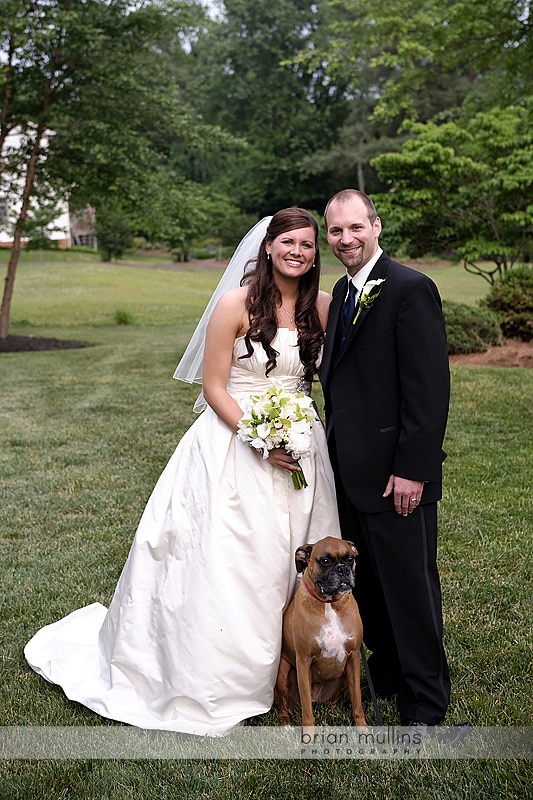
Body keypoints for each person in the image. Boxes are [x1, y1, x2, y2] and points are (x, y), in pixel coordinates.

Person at [25, 208, 342, 736]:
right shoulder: (235, 304)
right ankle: (229, 679)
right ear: (267, 247)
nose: (298, 252)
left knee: (297, 559)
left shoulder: (324, 307)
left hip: (303, 444)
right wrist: (260, 440)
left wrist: (299, 433)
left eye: (308, 245)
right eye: (289, 242)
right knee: (233, 562)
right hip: (237, 443)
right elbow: (214, 387)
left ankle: (302, 671)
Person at [320, 189, 451, 728]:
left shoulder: (410, 289)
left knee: (410, 589)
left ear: (376, 225)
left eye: (356, 227)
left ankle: (425, 699)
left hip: (397, 476)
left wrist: (412, 470)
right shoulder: (342, 294)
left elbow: (428, 389)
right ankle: (390, 675)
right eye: (336, 231)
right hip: (351, 473)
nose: (346, 239)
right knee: (369, 586)